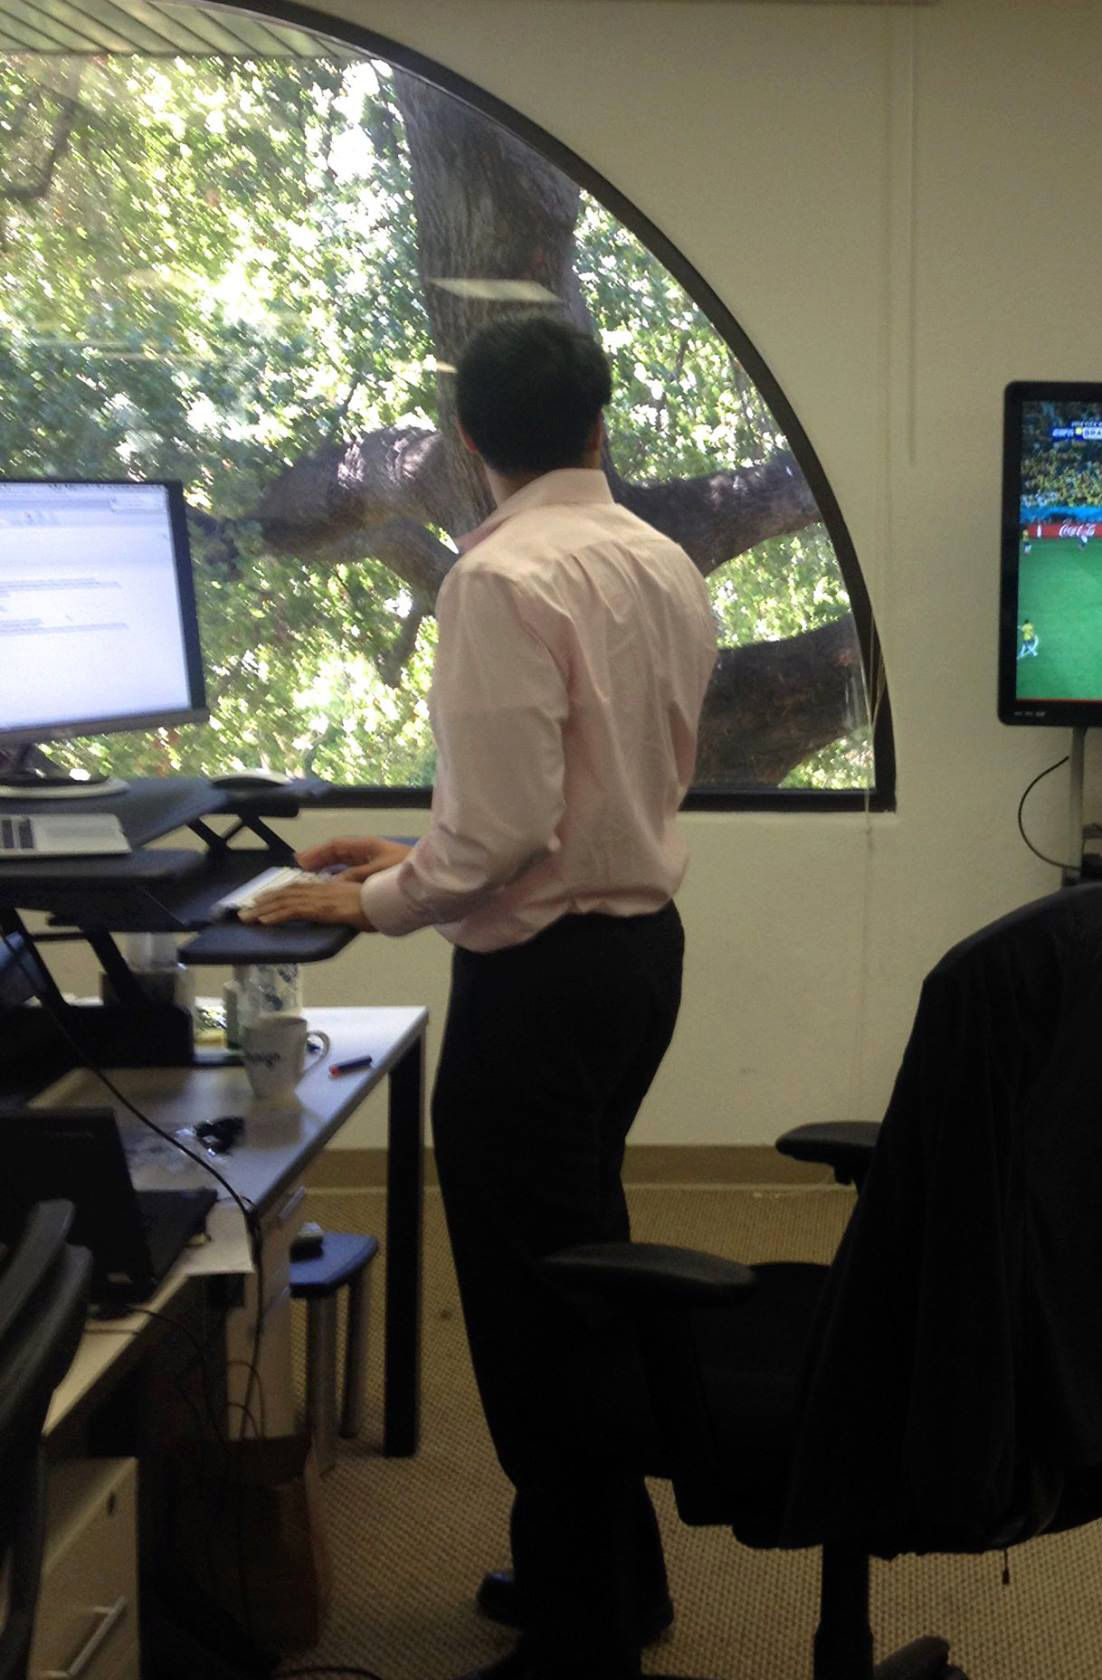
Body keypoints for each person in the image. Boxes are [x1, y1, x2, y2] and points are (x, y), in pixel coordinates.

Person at [244, 311, 719, 1680]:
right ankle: (609, 1580)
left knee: (534, 1310)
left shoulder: (499, 576)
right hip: (635, 960)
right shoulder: (655, 556)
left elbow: (510, 829)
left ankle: (583, 1635)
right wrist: (418, 854)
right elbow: (592, 792)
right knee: (587, 1271)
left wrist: (378, 897)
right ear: (598, 422)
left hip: (545, 985)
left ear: (468, 442)